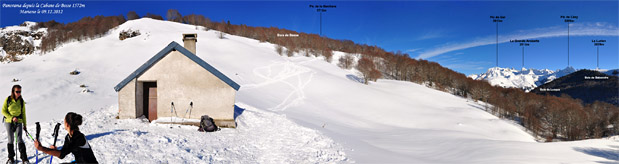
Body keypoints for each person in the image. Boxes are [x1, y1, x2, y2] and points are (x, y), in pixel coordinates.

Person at [2, 85, 29, 164]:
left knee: (20, 139)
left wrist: (25, 124)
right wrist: (11, 117)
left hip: (19, 121)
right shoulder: (8, 99)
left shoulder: (21, 101)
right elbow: (3, 111)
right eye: (17, 92)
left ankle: (24, 159)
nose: (19, 93)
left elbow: (23, 113)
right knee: (11, 140)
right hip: (9, 121)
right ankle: (11, 158)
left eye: (20, 91)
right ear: (13, 92)